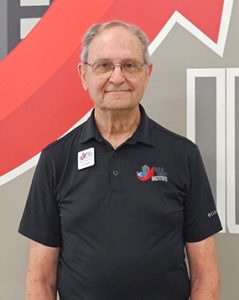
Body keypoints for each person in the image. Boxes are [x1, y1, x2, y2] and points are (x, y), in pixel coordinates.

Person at [19, 20, 222, 300]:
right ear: (83, 75)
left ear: (147, 73)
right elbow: (40, 279)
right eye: (103, 66)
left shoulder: (183, 155)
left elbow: (206, 275)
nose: (117, 77)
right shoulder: (56, 159)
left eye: (129, 65)